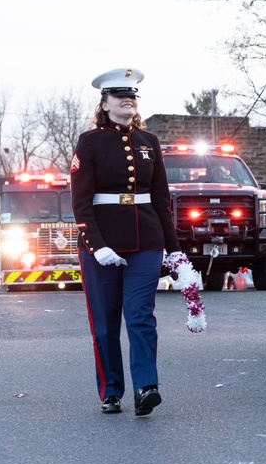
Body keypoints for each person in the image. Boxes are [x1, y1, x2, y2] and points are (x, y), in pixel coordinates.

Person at [70, 68, 183, 416]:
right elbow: (81, 202)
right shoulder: (90, 142)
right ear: (104, 103)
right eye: (120, 96)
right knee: (105, 323)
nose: (128, 100)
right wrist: (97, 245)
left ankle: (146, 387)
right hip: (101, 243)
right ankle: (111, 390)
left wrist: (175, 251)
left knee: (140, 316)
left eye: (132, 95)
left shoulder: (149, 143)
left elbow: (162, 200)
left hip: (146, 240)